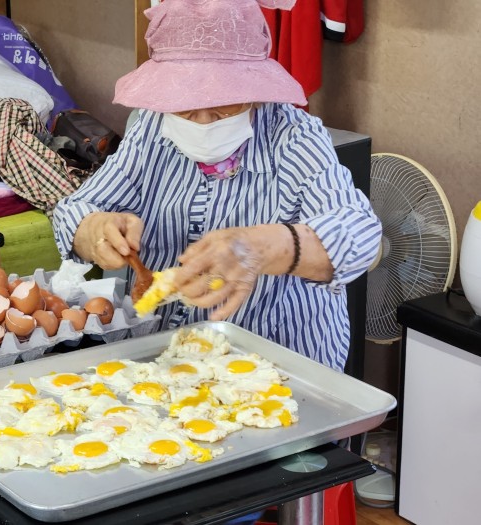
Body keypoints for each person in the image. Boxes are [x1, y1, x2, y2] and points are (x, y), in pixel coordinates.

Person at [53, 0, 381, 375]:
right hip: (166, 359)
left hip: (276, 364)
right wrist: (94, 230)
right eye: (185, 105)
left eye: (225, 103)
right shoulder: (152, 127)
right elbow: (74, 211)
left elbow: (361, 235)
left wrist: (261, 247)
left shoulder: (294, 137)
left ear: (256, 88)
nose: (204, 119)